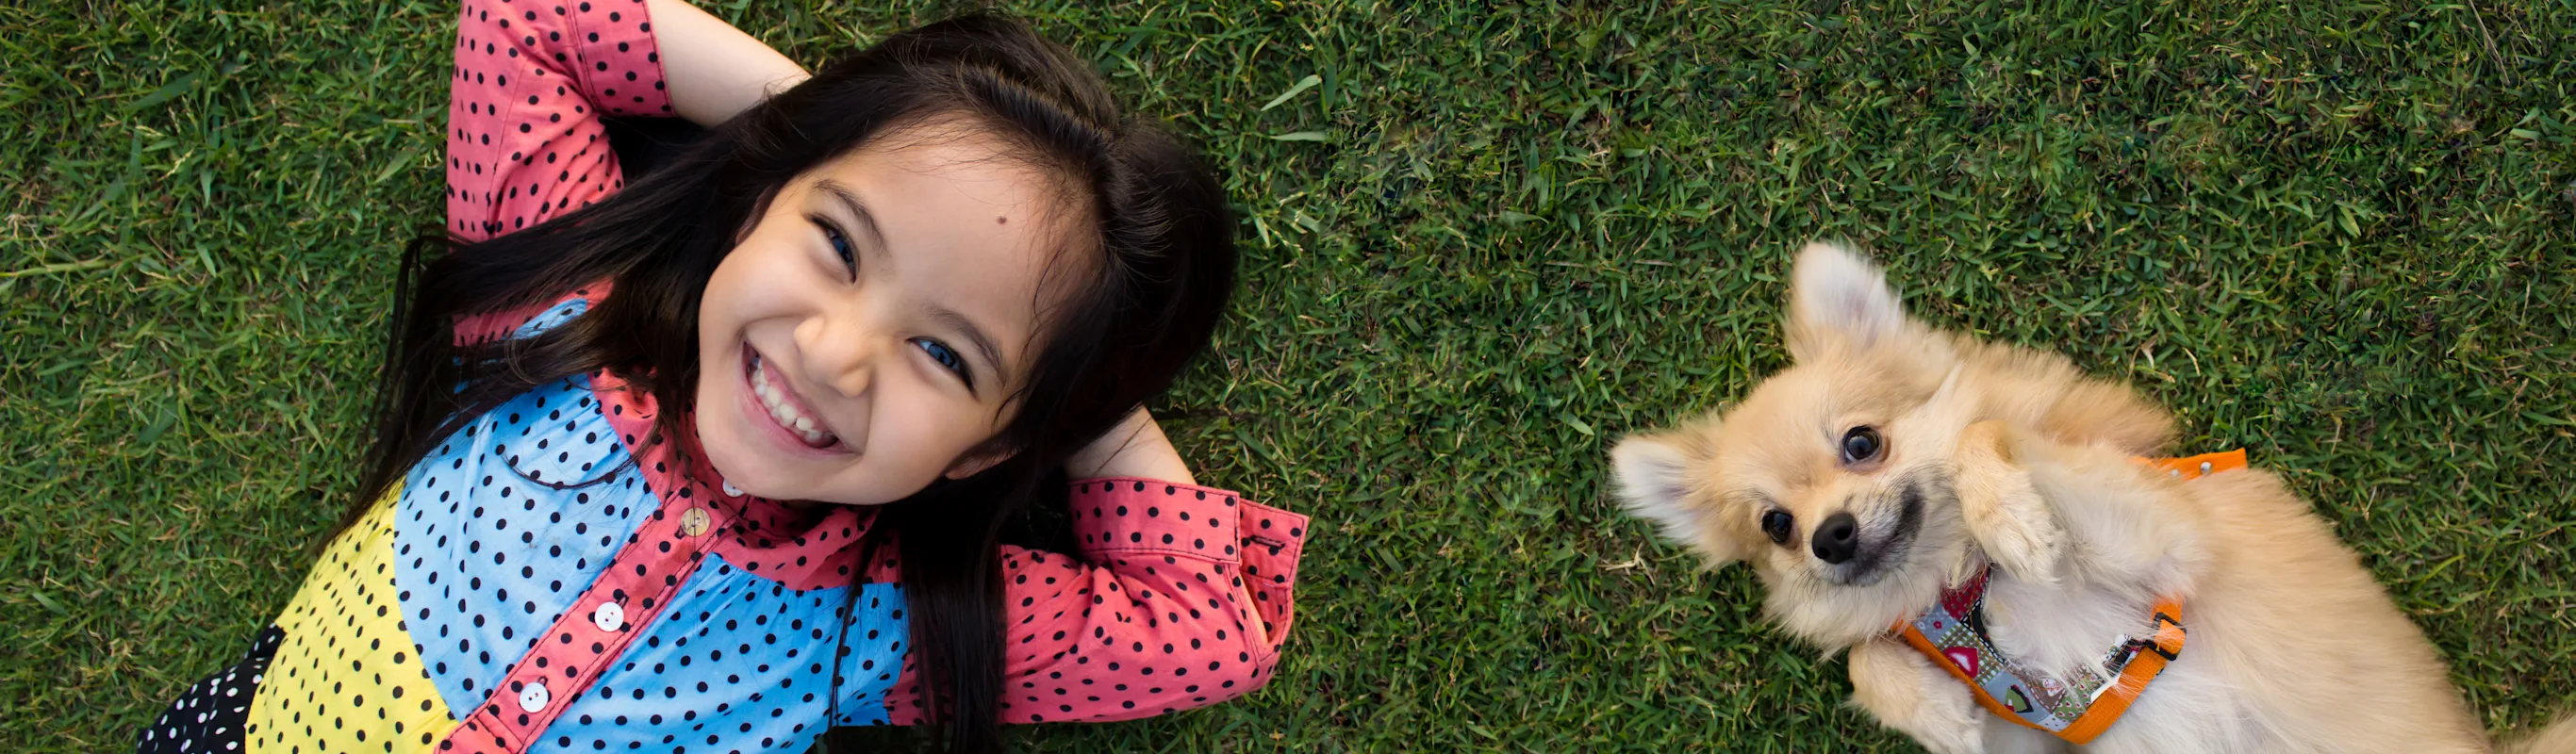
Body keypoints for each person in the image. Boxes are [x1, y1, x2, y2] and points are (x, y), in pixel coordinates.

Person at [134, 1, 1308, 751]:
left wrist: (1079, 391)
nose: (832, 351)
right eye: (838, 240)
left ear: (987, 446)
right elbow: (528, 24)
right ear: (757, 201)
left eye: (944, 354)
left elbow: (1214, 626)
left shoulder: (885, 625)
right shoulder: (555, 318)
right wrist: (837, 126)